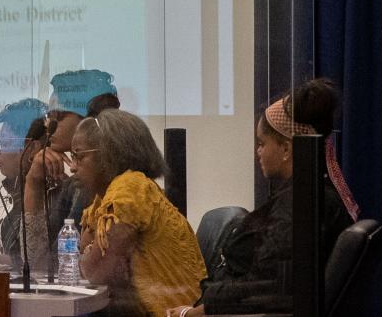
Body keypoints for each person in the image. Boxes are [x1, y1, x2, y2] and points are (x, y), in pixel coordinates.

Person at [166, 78, 358, 317]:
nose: (258, 152)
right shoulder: (309, 196)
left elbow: (269, 291)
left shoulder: (300, 207)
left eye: (261, 143)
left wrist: (192, 313)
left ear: (286, 149)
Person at [45, 108, 204, 317]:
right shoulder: (105, 197)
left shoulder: (129, 190)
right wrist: (89, 251)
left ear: (109, 155)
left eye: (79, 156)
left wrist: (89, 251)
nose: (73, 167)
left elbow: (97, 273)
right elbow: (90, 259)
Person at [21, 69, 120, 263]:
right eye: (48, 116)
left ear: (90, 120)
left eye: (58, 116)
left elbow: (50, 265)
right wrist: (33, 182)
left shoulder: (121, 189)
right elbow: (39, 264)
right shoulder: (73, 187)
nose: (49, 124)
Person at [0, 98, 47, 266]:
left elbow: (35, 263)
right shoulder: (9, 187)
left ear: (31, 148)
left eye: (5, 144)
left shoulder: (48, 194)